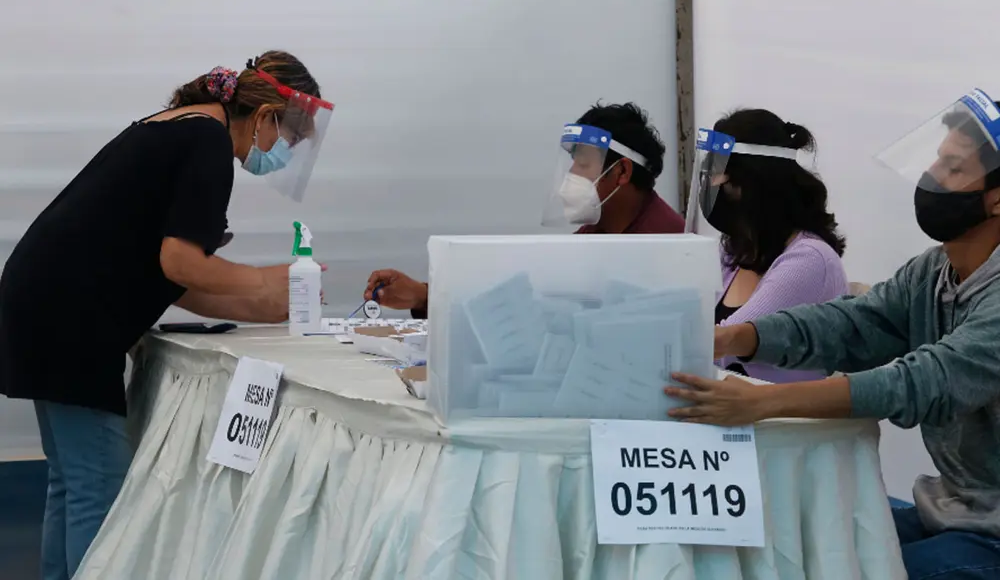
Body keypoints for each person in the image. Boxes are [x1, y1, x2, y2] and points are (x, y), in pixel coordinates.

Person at [0, 51, 332, 580]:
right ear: (267, 116)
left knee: (73, 479)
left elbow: (175, 281)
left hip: (43, 301)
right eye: (288, 138)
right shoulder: (207, 140)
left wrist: (260, 304)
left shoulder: (180, 126)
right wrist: (270, 280)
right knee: (99, 486)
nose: (281, 153)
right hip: (71, 316)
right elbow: (182, 262)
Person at [666, 90, 1000, 579]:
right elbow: (852, 322)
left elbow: (921, 382)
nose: (930, 181)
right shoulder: (932, 272)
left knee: (854, 567)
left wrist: (766, 403)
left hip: (989, 534)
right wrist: (738, 337)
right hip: (949, 509)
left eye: (952, 170)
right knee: (801, 541)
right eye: (935, 164)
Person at [364, 102, 684, 316]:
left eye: (583, 165)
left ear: (622, 173)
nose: (571, 179)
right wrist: (424, 295)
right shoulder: (598, 230)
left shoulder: (665, 245)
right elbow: (531, 289)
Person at [689, 109, 848, 382]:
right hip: (729, 413)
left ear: (753, 181)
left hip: (782, 421)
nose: (710, 186)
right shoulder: (733, 251)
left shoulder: (809, 259)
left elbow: (722, 343)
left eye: (718, 175)